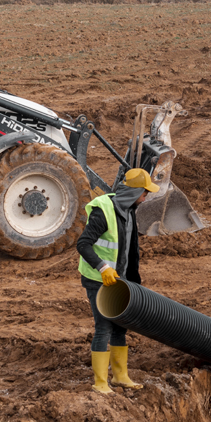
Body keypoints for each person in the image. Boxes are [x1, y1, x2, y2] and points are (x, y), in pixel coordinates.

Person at [78, 168, 159, 394]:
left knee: (121, 325)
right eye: (144, 193)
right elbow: (83, 244)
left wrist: (133, 281)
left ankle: (120, 376)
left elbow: (129, 249)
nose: (146, 197)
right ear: (134, 193)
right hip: (98, 279)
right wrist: (102, 267)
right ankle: (100, 382)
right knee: (104, 326)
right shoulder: (102, 211)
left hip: (119, 280)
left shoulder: (129, 210)